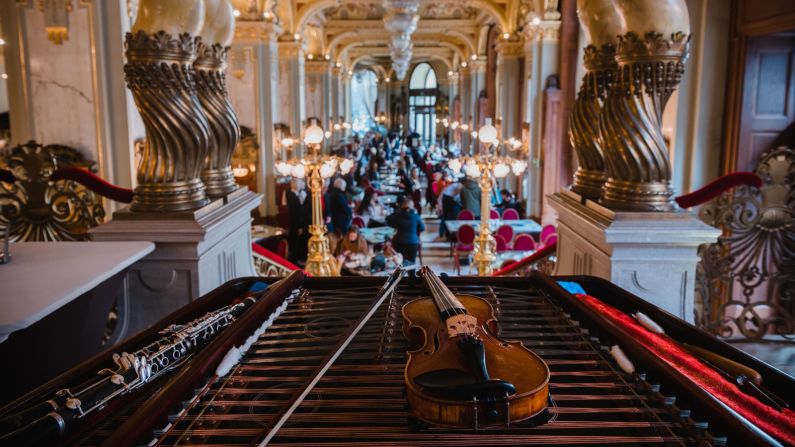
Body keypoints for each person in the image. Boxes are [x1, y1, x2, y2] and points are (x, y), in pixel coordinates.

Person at [386, 195, 425, 265]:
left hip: (399, 242)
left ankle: (401, 270)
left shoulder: (397, 216)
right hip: (413, 242)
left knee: (400, 262)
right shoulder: (416, 216)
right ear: (412, 207)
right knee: (412, 262)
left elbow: (389, 222)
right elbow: (422, 228)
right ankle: (412, 271)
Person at [283, 178, 311, 264]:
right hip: (292, 220)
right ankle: (293, 259)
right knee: (293, 239)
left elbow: (303, 211)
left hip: (301, 221)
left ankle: (299, 258)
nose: (294, 183)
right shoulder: (287, 192)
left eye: (297, 181)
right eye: (293, 181)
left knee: (300, 240)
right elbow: (284, 204)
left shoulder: (303, 193)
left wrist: (301, 226)